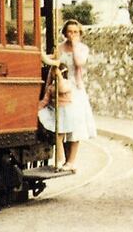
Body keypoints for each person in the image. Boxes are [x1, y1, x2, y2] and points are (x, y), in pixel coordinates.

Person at [42, 19, 97, 170]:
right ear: (65, 33)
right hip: (61, 88)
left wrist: (74, 45)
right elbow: (53, 68)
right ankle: (62, 159)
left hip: (75, 90)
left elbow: (79, 63)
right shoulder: (59, 48)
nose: (72, 34)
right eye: (70, 31)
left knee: (76, 126)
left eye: (75, 32)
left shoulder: (82, 48)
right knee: (61, 124)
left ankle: (71, 161)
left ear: (80, 34)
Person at [37, 62, 74, 168]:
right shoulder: (51, 87)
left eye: (54, 73)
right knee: (58, 138)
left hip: (65, 114)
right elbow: (45, 100)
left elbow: (62, 89)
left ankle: (62, 159)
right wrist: (37, 108)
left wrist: (60, 78)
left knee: (60, 137)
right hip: (56, 112)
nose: (53, 75)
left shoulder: (66, 83)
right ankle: (61, 159)